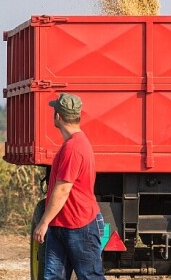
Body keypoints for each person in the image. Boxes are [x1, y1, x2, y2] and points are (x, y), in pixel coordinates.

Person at [32, 93, 106, 280]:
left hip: (79, 225)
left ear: (58, 116)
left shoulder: (73, 148)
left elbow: (63, 189)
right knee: (53, 277)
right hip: (62, 224)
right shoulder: (74, 144)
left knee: (90, 276)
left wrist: (43, 222)